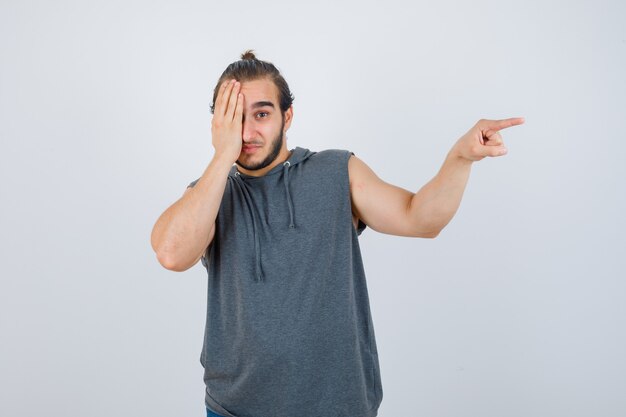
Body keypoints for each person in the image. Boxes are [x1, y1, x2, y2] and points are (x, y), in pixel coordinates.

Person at [150, 50, 524, 417]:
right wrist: (221, 157)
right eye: (234, 119)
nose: (247, 132)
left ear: (287, 116)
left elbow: (421, 219)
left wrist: (460, 157)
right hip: (234, 409)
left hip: (339, 406)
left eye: (261, 114)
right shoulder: (209, 194)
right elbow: (171, 253)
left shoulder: (334, 171)